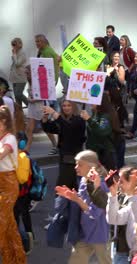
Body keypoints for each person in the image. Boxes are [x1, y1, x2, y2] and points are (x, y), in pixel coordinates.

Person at [56, 150, 111, 264]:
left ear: (91, 166)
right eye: (76, 164)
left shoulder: (101, 184)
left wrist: (76, 199)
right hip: (84, 232)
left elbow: (95, 213)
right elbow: (82, 202)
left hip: (100, 234)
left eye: (80, 164)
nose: (76, 167)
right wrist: (70, 196)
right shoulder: (83, 180)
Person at [0, 105, 27, 263]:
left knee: (2, 222)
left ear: (3, 121)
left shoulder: (9, 138)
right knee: (9, 226)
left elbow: (2, 154)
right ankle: (15, 260)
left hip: (8, 184)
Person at [42, 100, 85, 189]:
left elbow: (68, 127)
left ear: (73, 107)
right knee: (72, 186)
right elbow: (50, 128)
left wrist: (54, 113)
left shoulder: (79, 119)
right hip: (63, 155)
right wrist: (45, 119)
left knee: (62, 187)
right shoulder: (62, 120)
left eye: (69, 105)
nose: (66, 108)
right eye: (64, 106)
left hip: (73, 156)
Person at [23, 65, 57, 154]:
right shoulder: (29, 82)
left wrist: (32, 99)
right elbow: (30, 94)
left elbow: (44, 95)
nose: (26, 75)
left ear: (32, 72)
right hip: (32, 107)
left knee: (46, 128)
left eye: (27, 73)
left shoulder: (39, 81)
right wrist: (29, 99)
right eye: (26, 73)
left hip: (41, 106)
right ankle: (27, 148)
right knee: (28, 129)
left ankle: (55, 145)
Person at [80, 93, 118, 170]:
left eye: (94, 100)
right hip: (95, 153)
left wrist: (89, 119)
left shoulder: (105, 116)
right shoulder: (95, 114)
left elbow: (102, 131)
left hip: (104, 154)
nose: (91, 102)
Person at [9, 37, 28, 107]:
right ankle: (20, 115)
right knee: (17, 98)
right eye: (12, 44)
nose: (13, 46)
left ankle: (30, 105)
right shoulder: (16, 52)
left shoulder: (22, 52)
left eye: (14, 44)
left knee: (18, 94)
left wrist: (14, 54)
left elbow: (17, 64)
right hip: (14, 78)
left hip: (21, 78)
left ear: (19, 44)